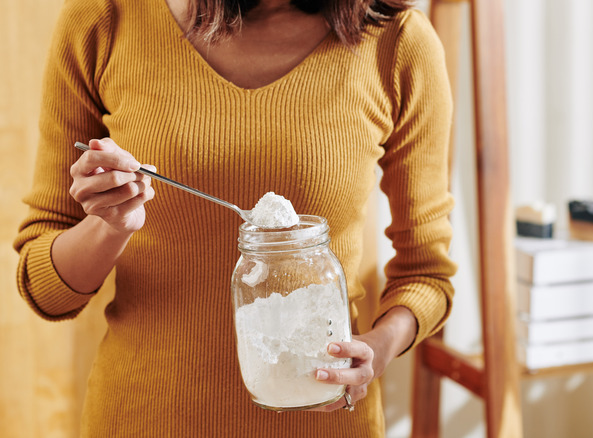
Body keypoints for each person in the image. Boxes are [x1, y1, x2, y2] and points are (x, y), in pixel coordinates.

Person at [14, 0, 455, 436]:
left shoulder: (398, 42)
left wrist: (375, 351)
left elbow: (426, 274)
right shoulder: (103, 20)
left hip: (325, 422)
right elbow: (46, 291)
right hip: (146, 418)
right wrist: (109, 226)